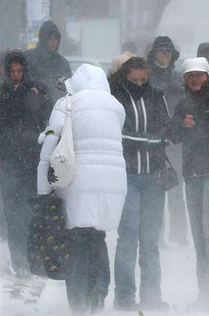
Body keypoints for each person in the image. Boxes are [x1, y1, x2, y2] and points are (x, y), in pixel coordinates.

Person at [37, 64, 127, 315]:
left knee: (76, 242)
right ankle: (98, 299)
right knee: (97, 238)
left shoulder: (67, 103)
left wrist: (43, 191)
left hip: (78, 181)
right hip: (112, 182)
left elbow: (51, 144)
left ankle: (78, 304)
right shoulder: (116, 107)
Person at [168, 57, 209, 312]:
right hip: (192, 174)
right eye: (190, 76)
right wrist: (181, 126)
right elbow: (171, 135)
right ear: (185, 79)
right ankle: (206, 295)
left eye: (199, 75)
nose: (195, 80)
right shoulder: (183, 104)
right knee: (198, 238)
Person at [109, 57, 170, 312]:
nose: (139, 84)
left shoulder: (157, 95)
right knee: (128, 237)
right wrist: (148, 140)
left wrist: (145, 140)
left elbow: (165, 130)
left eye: (143, 80)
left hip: (154, 176)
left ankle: (152, 297)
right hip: (128, 176)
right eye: (134, 80)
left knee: (150, 240)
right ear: (125, 77)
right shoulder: (115, 97)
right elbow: (117, 134)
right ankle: (124, 297)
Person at [0, 50, 52, 279]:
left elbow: (47, 122)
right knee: (13, 213)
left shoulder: (38, 91)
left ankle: (34, 260)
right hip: (9, 160)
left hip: (32, 159)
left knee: (32, 211)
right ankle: (20, 262)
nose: (15, 76)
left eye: (19, 71)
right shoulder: (3, 93)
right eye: (12, 72)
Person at [147, 36, 188, 247]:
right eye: (161, 50)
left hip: (175, 140)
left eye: (168, 51)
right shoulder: (146, 78)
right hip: (153, 139)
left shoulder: (178, 78)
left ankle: (179, 235)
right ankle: (157, 235)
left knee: (176, 188)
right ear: (154, 53)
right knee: (155, 190)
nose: (165, 54)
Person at [24, 20, 72, 105]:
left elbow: (67, 89)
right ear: (43, 39)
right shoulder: (28, 58)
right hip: (31, 107)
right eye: (50, 38)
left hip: (55, 107)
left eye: (56, 39)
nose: (53, 42)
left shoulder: (62, 63)